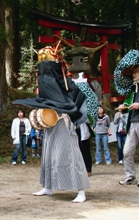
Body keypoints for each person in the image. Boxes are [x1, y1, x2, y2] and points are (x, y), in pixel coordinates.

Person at [12, 60, 90, 202]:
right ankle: (48, 186)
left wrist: (67, 110)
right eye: (41, 73)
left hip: (65, 124)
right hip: (50, 124)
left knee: (72, 155)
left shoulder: (67, 84)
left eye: (46, 73)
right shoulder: (44, 87)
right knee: (48, 154)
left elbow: (78, 102)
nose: (43, 76)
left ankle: (81, 191)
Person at [119, 64, 139, 186]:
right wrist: (123, 108)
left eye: (136, 72)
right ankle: (130, 176)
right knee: (127, 151)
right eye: (133, 73)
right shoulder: (134, 89)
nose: (134, 75)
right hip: (132, 123)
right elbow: (128, 104)